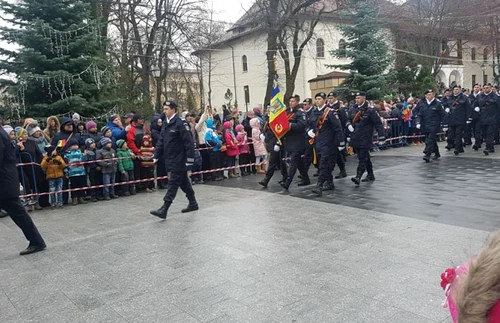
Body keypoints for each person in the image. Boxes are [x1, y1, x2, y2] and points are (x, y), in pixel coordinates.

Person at [0, 116, 46, 255]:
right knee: (18, 213)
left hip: (4, 180)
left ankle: (37, 241)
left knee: (18, 213)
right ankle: (36, 241)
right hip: (6, 178)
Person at [150, 101, 199, 219]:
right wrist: (156, 155)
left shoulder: (180, 123)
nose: (164, 111)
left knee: (173, 183)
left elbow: (188, 143)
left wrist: (190, 159)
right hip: (169, 158)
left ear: (173, 110)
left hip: (180, 159)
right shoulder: (166, 124)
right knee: (183, 182)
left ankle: (164, 208)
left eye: (167, 109)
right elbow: (161, 141)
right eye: (164, 108)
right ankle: (193, 203)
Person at [308, 92, 344, 196]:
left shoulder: (330, 112)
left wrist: (341, 142)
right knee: (321, 165)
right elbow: (309, 124)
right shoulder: (314, 112)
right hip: (318, 142)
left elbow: (338, 128)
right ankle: (330, 183)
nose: (318, 101)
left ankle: (319, 186)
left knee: (324, 164)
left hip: (329, 143)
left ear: (324, 100)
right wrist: (309, 131)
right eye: (316, 99)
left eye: (320, 99)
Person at [348, 91, 385, 185]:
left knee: (362, 157)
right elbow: (348, 120)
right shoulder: (353, 109)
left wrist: (381, 136)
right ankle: (370, 174)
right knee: (365, 157)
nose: (357, 100)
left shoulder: (370, 110)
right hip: (356, 136)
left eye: (359, 98)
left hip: (366, 137)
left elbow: (378, 123)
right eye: (356, 98)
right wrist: (348, 128)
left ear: (364, 98)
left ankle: (358, 176)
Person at [281, 95, 309, 190]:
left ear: (297, 102)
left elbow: (302, 125)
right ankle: (305, 178)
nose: (291, 103)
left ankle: (287, 182)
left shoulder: (300, 113)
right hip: (289, 140)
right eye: (290, 101)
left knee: (293, 162)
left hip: (298, 141)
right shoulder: (287, 112)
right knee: (299, 162)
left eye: (293, 101)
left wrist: (291, 125)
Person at [416, 89, 447, 162]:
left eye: (431, 94)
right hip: (425, 125)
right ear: (425, 96)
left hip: (434, 125)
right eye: (428, 95)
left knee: (429, 140)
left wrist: (445, 125)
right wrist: (418, 122)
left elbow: (443, 114)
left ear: (434, 95)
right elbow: (420, 114)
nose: (429, 96)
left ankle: (427, 154)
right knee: (431, 139)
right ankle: (436, 153)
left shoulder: (438, 104)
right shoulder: (423, 104)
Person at [445, 85, 472, 155]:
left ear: (459, 90)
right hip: (452, 119)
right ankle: (460, 148)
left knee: (458, 134)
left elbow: (468, 108)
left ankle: (457, 148)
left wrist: (468, 118)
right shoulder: (451, 97)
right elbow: (447, 105)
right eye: (454, 89)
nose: (455, 91)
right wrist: (447, 109)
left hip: (460, 119)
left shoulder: (464, 98)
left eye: (457, 89)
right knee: (450, 134)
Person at [475, 83, 500, 155]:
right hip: (482, 118)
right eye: (484, 88)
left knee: (490, 133)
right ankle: (491, 147)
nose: (486, 89)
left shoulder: (495, 96)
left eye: (487, 88)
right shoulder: (480, 96)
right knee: (485, 134)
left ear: (490, 88)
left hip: (492, 118)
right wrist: (476, 107)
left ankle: (488, 148)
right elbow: (476, 104)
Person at [64, 138, 88, 206]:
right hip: (72, 173)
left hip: (80, 172)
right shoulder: (67, 154)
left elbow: (83, 161)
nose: (75, 146)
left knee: (81, 185)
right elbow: (65, 164)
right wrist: (66, 172)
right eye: (73, 145)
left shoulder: (80, 152)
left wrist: (84, 155)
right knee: (73, 186)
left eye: (76, 145)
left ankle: (81, 197)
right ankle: (74, 198)